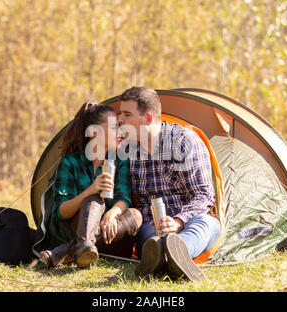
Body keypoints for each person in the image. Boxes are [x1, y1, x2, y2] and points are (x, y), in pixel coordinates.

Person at [117, 87, 220, 282]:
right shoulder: (127, 149)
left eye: (127, 115)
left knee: (208, 224)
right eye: (120, 114)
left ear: (147, 119)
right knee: (150, 240)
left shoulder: (184, 141)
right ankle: (164, 257)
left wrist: (179, 221)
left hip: (190, 219)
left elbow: (204, 195)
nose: (120, 120)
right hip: (153, 224)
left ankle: (176, 252)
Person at [39, 101, 142, 269]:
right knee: (93, 200)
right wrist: (90, 191)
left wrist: (113, 213)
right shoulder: (70, 161)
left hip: (110, 232)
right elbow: (61, 212)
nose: (121, 133)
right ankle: (82, 246)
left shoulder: (119, 159)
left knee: (136, 215)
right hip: (76, 225)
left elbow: (123, 197)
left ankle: (70, 250)